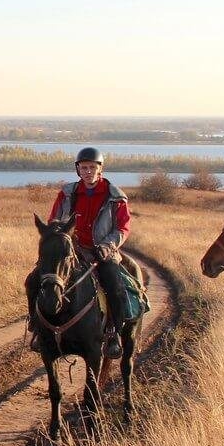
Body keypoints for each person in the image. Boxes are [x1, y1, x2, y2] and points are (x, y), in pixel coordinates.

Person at [40, 146, 132, 358]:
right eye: (84, 168)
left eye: (92, 167)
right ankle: (39, 329)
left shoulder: (115, 196)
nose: (88, 171)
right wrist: (64, 241)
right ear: (78, 170)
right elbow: (54, 221)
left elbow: (123, 228)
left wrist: (107, 246)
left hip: (102, 252)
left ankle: (114, 333)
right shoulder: (66, 193)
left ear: (100, 169)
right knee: (38, 279)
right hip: (72, 250)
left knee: (115, 287)